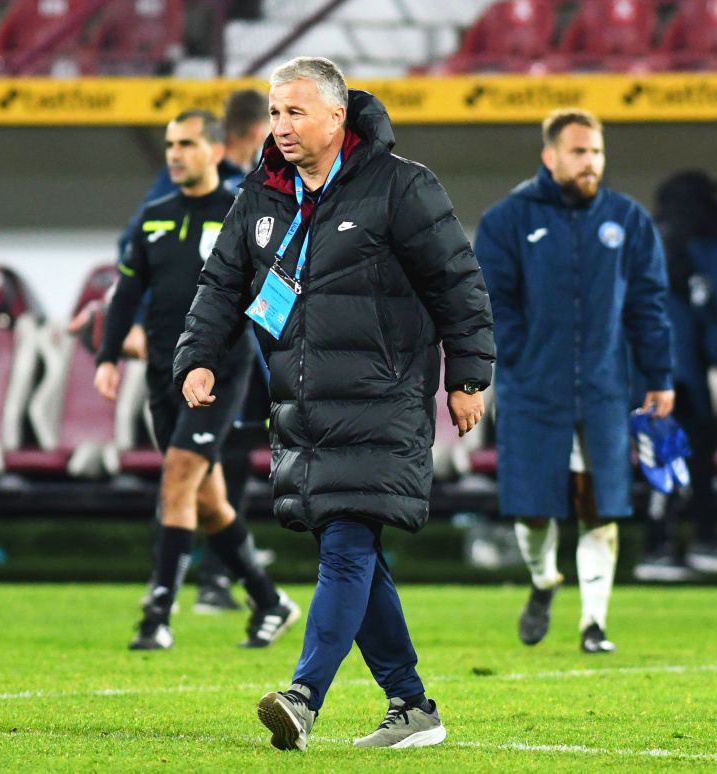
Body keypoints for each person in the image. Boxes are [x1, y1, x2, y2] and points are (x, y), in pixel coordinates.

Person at [176, 57, 495, 751]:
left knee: (347, 542)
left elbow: (458, 284)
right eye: (275, 112)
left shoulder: (401, 186)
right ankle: (412, 706)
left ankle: (303, 698)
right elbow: (221, 285)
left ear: (337, 116)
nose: (281, 126)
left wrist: (468, 376)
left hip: (384, 397)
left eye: (295, 112)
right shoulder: (261, 196)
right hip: (303, 405)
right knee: (353, 550)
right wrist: (197, 356)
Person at [94, 109, 297, 651]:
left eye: (186, 144)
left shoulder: (242, 213)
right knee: (206, 500)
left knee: (179, 478)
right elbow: (127, 294)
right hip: (162, 371)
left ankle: (157, 615)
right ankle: (269, 600)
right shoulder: (154, 217)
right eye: (170, 145)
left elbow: (274, 285)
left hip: (217, 371)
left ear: (215, 150)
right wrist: (108, 356)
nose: (175, 154)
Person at [475, 108, 673, 654]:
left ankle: (594, 624)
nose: (591, 163)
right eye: (579, 152)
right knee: (534, 507)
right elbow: (492, 305)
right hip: (533, 390)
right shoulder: (506, 221)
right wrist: (523, 359)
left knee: (598, 505)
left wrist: (659, 375)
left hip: (604, 392)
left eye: (597, 153)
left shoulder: (628, 221)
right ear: (551, 156)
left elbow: (649, 305)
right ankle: (544, 581)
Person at [634, 166, 717, 581]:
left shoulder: (648, 240)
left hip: (641, 368)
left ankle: (672, 543)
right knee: (689, 450)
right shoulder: (705, 245)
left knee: (668, 451)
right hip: (679, 372)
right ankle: (674, 545)